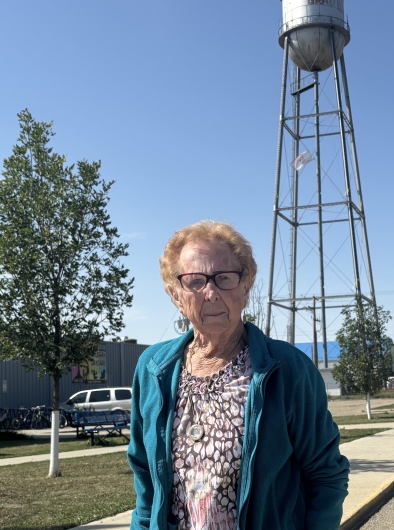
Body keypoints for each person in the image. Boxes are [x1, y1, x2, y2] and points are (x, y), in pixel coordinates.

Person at [128, 220, 349, 530]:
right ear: (176, 294)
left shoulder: (288, 370)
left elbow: (328, 476)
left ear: (246, 285)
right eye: (195, 281)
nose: (211, 293)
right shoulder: (153, 369)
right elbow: (146, 483)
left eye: (224, 278)